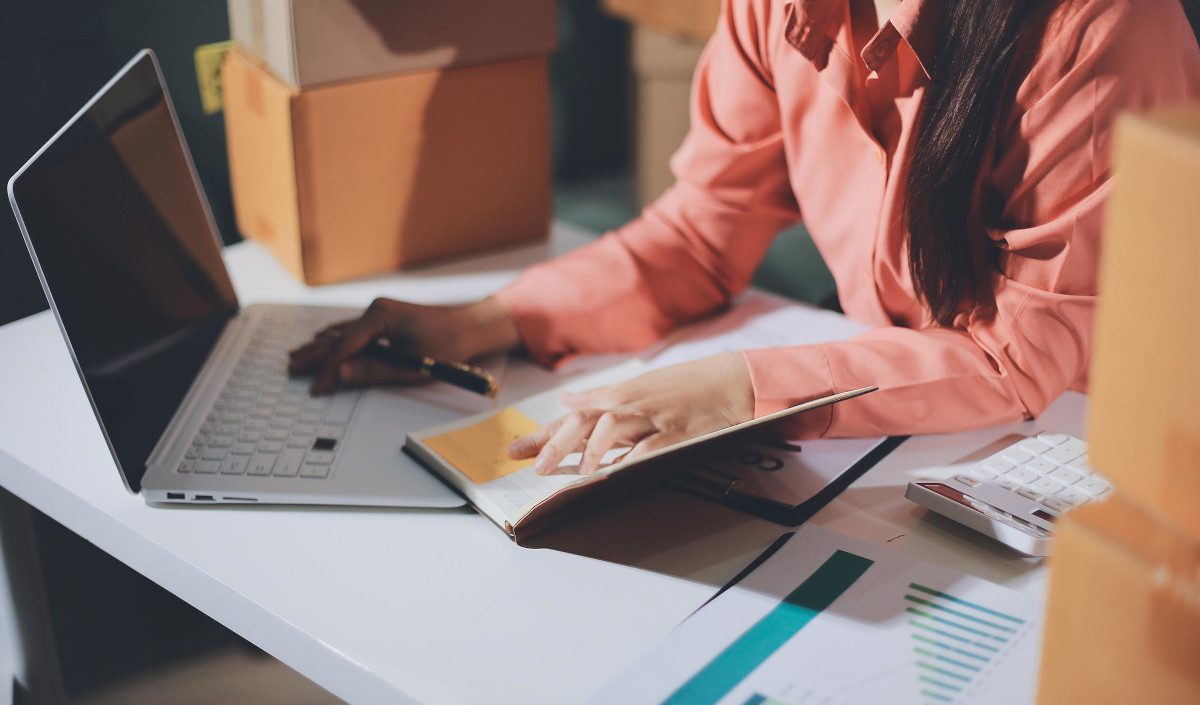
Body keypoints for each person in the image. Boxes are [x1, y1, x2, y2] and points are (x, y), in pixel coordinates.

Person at [290, 0, 1200, 477]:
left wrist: (741, 390)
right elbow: (701, 231)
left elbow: (1022, 358)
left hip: (1099, 457)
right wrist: (484, 321)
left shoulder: (1103, 26)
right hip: (926, 442)